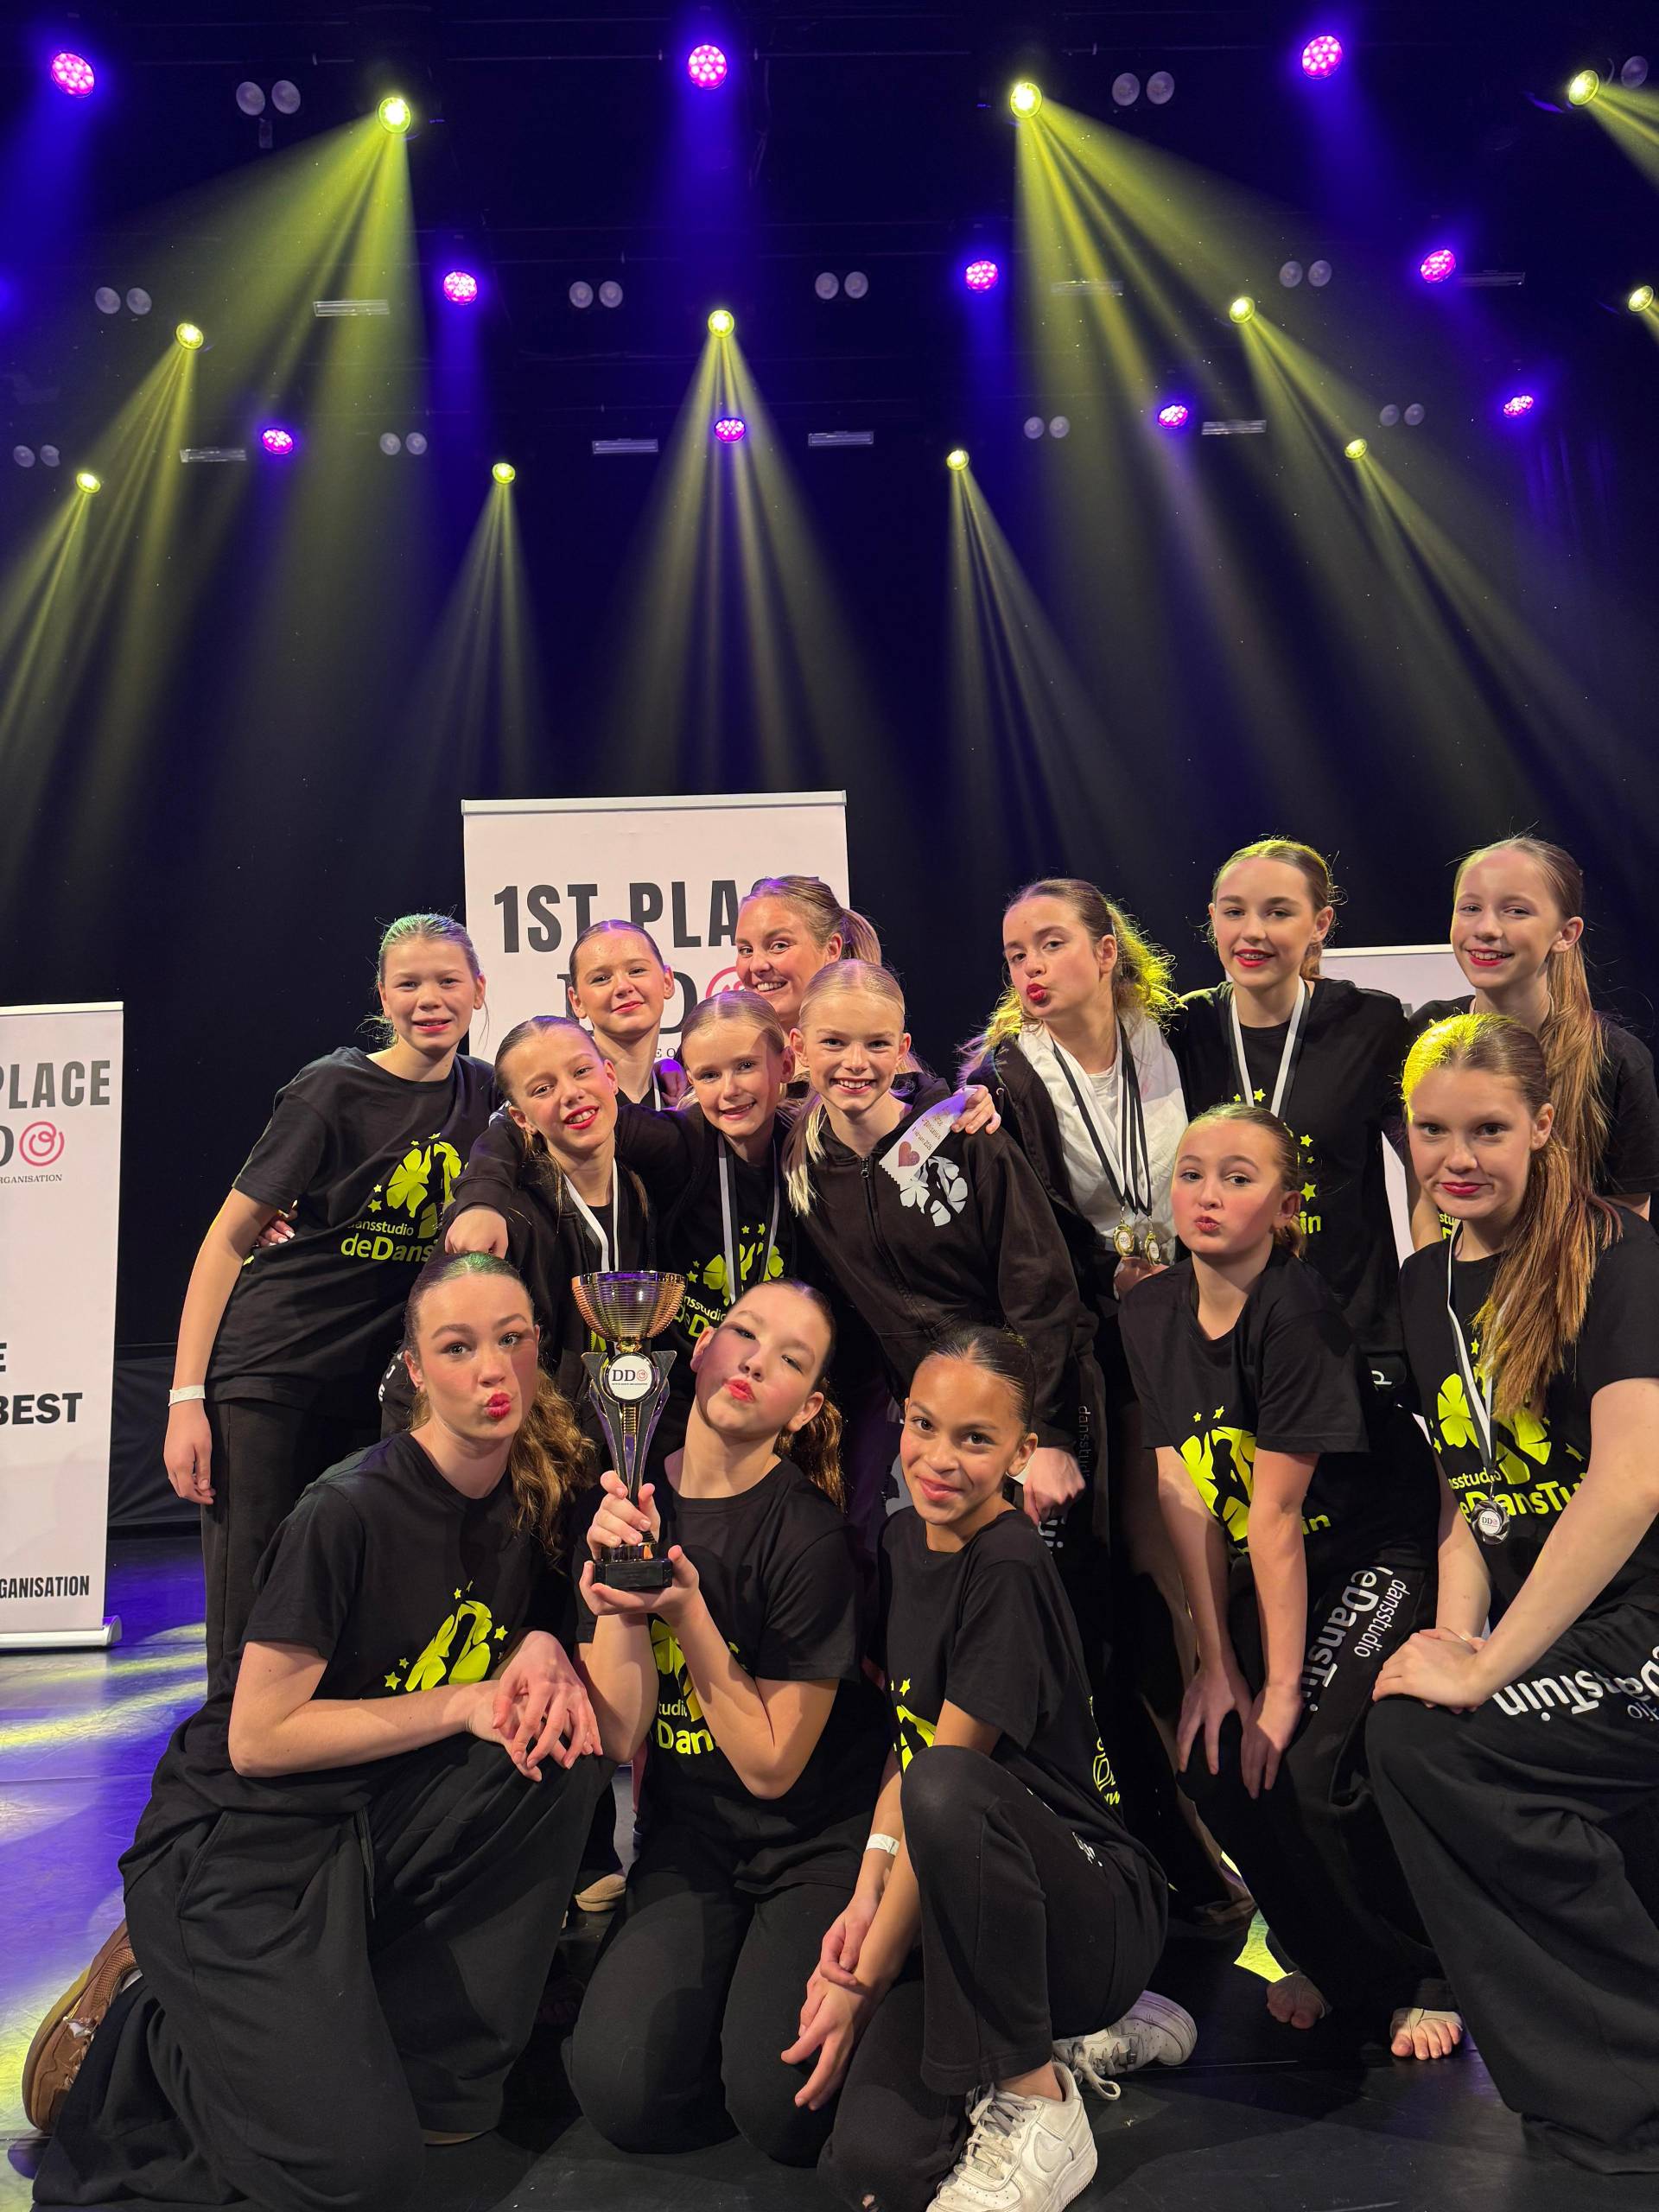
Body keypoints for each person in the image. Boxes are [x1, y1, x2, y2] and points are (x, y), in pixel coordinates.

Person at [26, 1252, 610, 2210]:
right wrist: (464, 1701)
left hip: (375, 1819)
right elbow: (258, 1739)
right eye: (457, 1347)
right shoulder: (348, 1508)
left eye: (511, 1339)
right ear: (415, 1369)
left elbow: (601, 1711)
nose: (491, 1369)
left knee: (560, 1748)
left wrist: (545, 1641)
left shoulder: (538, 1492)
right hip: (247, 1845)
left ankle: (426, 2061)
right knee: (357, 2175)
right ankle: (148, 2029)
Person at [801, 1328, 1184, 2212]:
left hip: (1091, 1911)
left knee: (946, 1786)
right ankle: (1062, 2035)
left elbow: (943, 1780)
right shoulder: (903, 1540)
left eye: (975, 1439)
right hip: (974, 1903)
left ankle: (1040, 2101)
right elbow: (908, 1743)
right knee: (874, 2166)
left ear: (1021, 1453)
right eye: (924, 1425)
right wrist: (866, 1892)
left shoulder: (1008, 1561)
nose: (940, 1459)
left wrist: (861, 1984)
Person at [1370, 1012, 1659, 2172]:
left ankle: (1629, 2071)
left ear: (1544, 1125)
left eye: (1488, 1129)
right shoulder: (1424, 1282)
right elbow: (1466, 1491)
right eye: (1433, 1131)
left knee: (1443, 1747)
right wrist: (1452, 1639)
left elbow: (1632, 1481)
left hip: (1643, 1621)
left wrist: (1488, 1665)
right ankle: (1601, 2083)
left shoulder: (1619, 1255)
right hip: (1565, 1630)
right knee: (1411, 1730)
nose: (1459, 1157)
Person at [1118, 1105, 1454, 2056]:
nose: (1208, 1194)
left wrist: (1276, 1690)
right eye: (1192, 1173)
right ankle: (1328, 1956)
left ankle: (1418, 1971)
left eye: (1239, 1177)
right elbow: (1181, 1484)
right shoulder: (1146, 1309)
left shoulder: (1298, 1313)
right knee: (1211, 1760)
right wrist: (1214, 1663)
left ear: (1286, 1207)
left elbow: (1273, 1519)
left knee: (1306, 1763)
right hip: (1281, 1566)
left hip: (1373, 1551)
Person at [963, 879, 1243, 1927]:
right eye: (1014, 953)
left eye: (1050, 944)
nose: (1031, 967)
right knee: (1158, 1576)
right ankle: (1191, 1816)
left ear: (1106, 950)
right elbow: (1028, 1235)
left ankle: (1251, 1792)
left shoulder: (1184, 1042)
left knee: (1237, 1554)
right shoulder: (1008, 1076)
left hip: (1218, 1321)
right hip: (1112, 1350)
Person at [568, 1280, 888, 2167]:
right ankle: (729, 1998)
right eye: (743, 1333)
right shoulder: (626, 1499)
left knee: (783, 2112)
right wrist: (618, 1598)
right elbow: (620, 1732)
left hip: (811, 1842)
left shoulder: (810, 1538)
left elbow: (773, 1766)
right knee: (619, 2095)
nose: (754, 1362)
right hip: (694, 1840)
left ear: (807, 1407)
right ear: (699, 1349)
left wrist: (686, 1612)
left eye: (790, 1359)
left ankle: (892, 1981)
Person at [162, 912, 497, 1685]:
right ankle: (229, 1762)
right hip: (272, 1377)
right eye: (409, 984)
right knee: (250, 1620)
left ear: (480, 990)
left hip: (371, 1393)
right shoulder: (332, 1087)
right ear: (382, 996)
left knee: (342, 1611)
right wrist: (185, 1400)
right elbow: (225, 1242)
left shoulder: (486, 1093)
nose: (430, 999)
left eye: (448, 981)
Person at [785, 960, 1103, 1550]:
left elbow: (1042, 1288)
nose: (856, 1062)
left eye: (876, 1044)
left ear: (903, 1050)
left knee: (1042, 1588)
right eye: (834, 1042)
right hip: (930, 1428)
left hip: (1025, 1415)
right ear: (800, 1047)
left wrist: (1048, 1433)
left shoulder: (964, 1136)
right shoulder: (799, 1162)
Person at [1169, 838, 1413, 1394]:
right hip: (1220, 1333)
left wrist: (1430, 1279)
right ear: (1213, 919)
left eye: (1278, 912)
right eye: (1234, 912)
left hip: (1349, 1328)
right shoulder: (1181, 1030)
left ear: (1320, 923)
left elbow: (1426, 1167)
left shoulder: (1371, 1024)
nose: (1252, 932)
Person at [1407, 836, 1659, 1239]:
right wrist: (1431, 1272)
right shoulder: (1428, 1031)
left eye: (1516, 911)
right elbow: (1421, 1188)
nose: (1486, 929)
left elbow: (1628, 1224)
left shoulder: (1614, 1060)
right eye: (1470, 908)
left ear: (1566, 933)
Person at [734, 874, 884, 1037]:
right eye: (746, 950)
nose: (756, 965)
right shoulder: (731, 1046)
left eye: (779, 946)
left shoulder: (867, 1051)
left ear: (831, 949)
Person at [563, 916, 690, 1108]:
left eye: (637, 970)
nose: (623, 986)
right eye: (601, 978)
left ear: (667, 982)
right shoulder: (564, 1103)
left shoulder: (692, 1099)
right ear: (577, 1001)